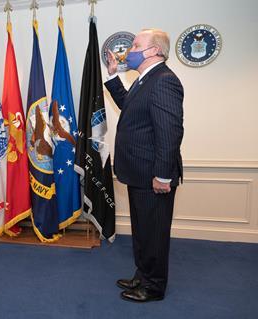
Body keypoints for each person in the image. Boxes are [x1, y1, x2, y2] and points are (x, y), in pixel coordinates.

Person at [105, 29, 184, 302]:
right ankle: (143, 274)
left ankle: (153, 287)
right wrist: (114, 74)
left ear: (153, 51)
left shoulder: (164, 81)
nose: (129, 50)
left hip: (153, 175)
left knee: (154, 233)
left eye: (136, 45)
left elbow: (169, 132)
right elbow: (129, 107)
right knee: (143, 231)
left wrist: (163, 175)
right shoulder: (145, 80)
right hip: (139, 173)